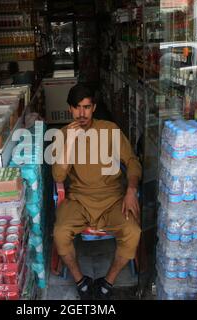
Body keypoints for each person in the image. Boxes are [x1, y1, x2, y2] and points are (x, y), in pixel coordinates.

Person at [52, 84, 142, 300]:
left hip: (112, 200)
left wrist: (131, 189)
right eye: (77, 108)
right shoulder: (63, 134)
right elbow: (58, 177)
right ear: (70, 109)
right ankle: (80, 280)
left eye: (87, 107)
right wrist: (70, 144)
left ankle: (108, 281)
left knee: (133, 232)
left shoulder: (109, 129)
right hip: (78, 201)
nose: (82, 114)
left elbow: (131, 161)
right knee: (60, 232)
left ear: (93, 108)